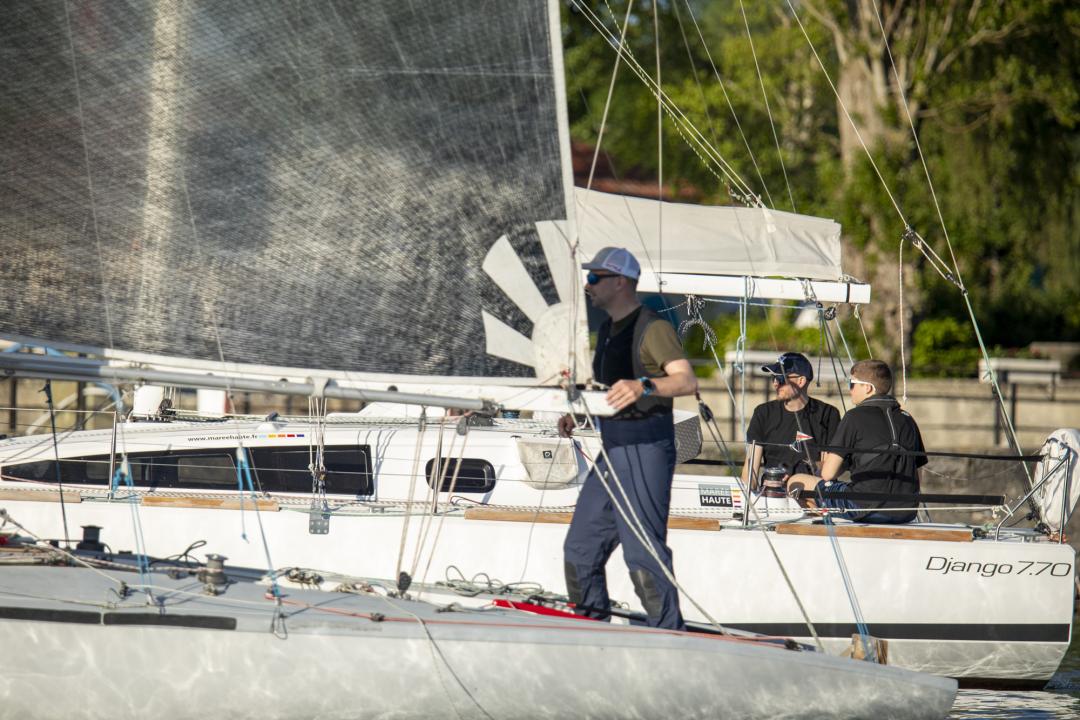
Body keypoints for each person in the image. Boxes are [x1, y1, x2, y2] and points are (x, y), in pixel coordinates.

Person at [558, 246, 698, 631]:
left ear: (620, 282)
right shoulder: (606, 330)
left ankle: (667, 633)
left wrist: (645, 385)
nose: (587, 285)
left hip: (645, 447)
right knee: (580, 549)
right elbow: (608, 391)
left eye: (594, 278)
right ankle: (591, 630)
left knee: (642, 552)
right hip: (613, 446)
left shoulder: (653, 328)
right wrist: (579, 414)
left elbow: (686, 380)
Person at [787, 359, 927, 524]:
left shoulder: (854, 417)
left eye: (851, 384)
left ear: (868, 388)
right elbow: (918, 474)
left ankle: (823, 531)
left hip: (863, 506)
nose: (850, 389)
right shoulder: (908, 419)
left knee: (796, 481)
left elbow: (828, 474)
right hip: (906, 511)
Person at [741, 352, 840, 490]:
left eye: (781, 378)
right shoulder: (763, 412)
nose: (775, 383)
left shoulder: (828, 414)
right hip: (773, 492)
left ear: (801, 381)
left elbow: (831, 466)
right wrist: (747, 496)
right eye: (773, 378)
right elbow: (751, 468)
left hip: (810, 494)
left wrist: (803, 469)